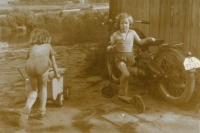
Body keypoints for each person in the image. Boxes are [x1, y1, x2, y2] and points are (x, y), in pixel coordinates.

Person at [19, 29, 60, 128]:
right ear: (46, 38)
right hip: (41, 65)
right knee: (43, 87)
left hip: (29, 66)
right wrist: (56, 74)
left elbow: (29, 59)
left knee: (34, 89)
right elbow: (54, 63)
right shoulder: (48, 46)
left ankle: (28, 107)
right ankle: (42, 111)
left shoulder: (31, 47)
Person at [107, 13, 155, 96]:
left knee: (126, 76)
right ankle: (121, 89)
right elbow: (112, 45)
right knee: (126, 74)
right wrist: (110, 47)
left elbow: (140, 41)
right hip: (120, 57)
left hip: (130, 58)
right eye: (122, 23)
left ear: (130, 24)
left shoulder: (132, 33)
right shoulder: (115, 34)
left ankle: (125, 93)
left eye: (126, 23)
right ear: (119, 24)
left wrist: (147, 39)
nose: (124, 25)